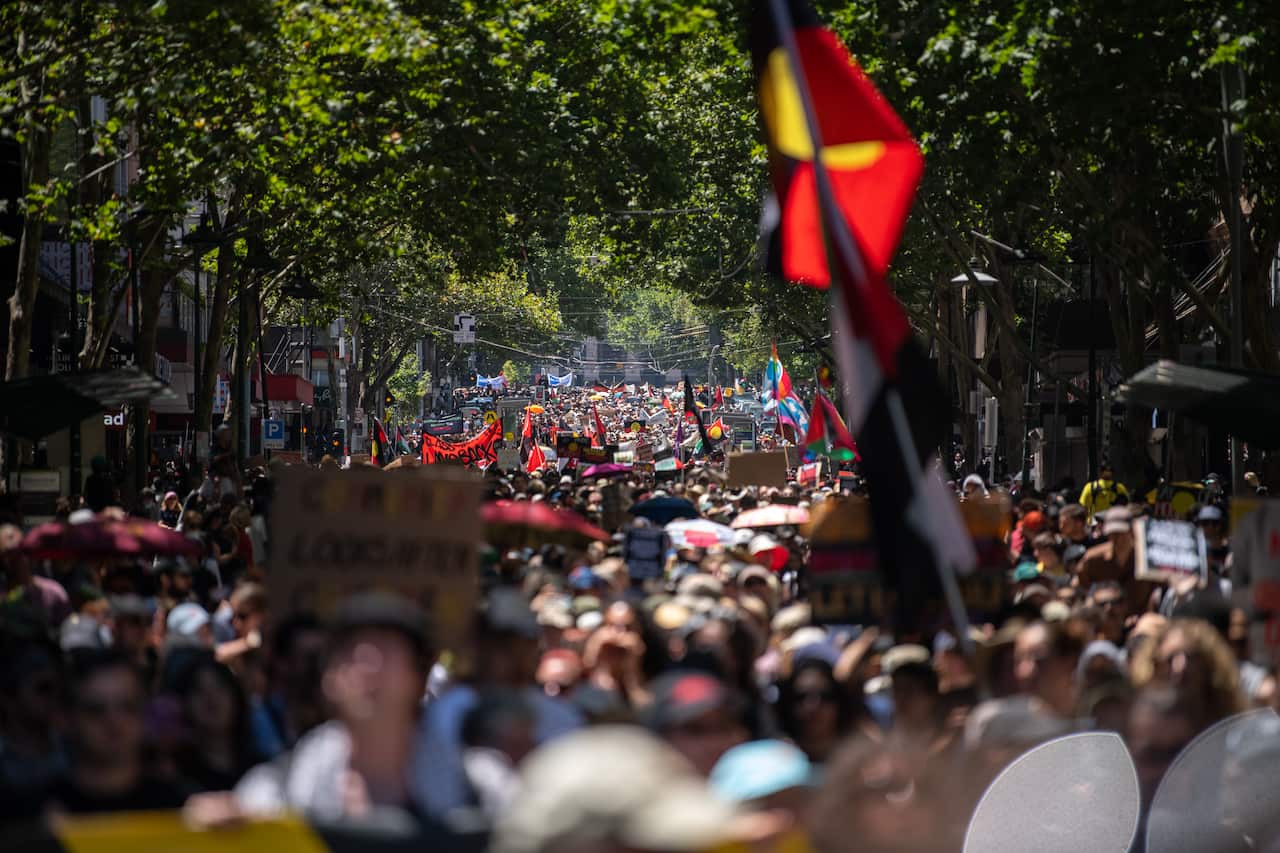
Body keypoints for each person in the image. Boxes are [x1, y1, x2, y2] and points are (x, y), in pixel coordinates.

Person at [190, 592, 437, 823]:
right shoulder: (278, 790)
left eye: (387, 649)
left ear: (419, 677)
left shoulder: (468, 787)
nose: (369, 665)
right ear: (329, 680)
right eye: (351, 652)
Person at [46, 650, 189, 814]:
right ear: (66, 718)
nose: (114, 721)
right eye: (95, 710)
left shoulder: (182, 811)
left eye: (128, 707)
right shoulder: (36, 816)